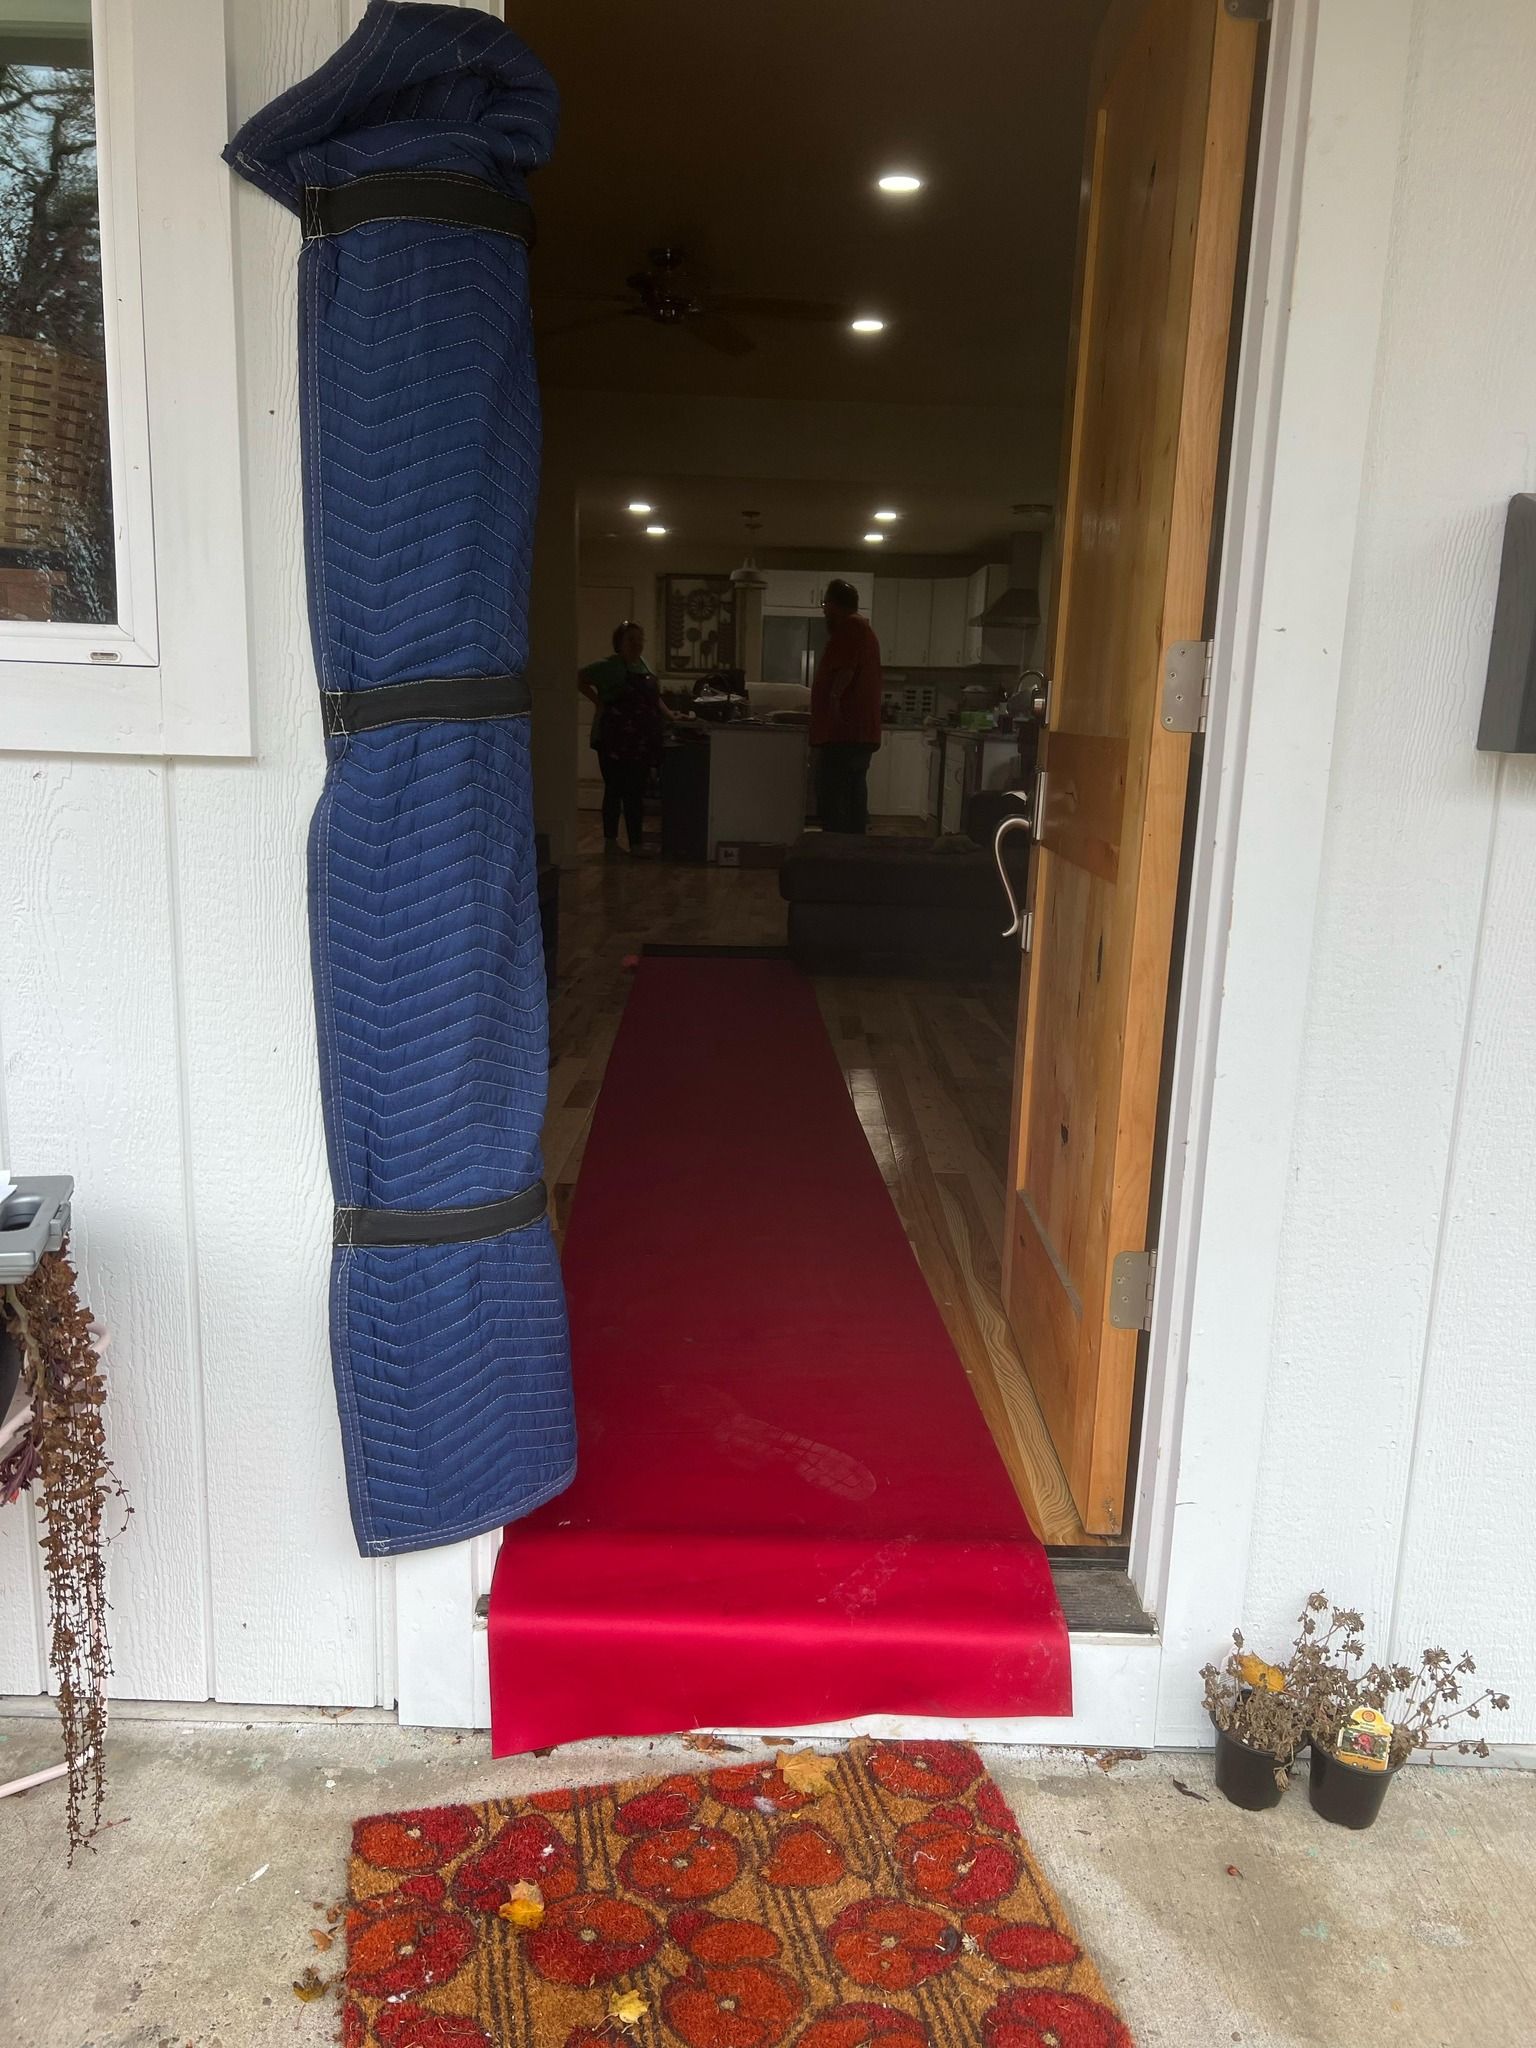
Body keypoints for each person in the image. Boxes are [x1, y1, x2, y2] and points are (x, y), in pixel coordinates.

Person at [579, 620, 668, 856]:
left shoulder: (643, 665)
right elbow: (579, 678)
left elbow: (653, 697)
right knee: (614, 790)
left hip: (639, 741)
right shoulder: (608, 666)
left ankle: (636, 845)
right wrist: (598, 702)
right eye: (631, 639)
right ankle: (610, 843)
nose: (637, 644)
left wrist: (669, 713)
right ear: (619, 642)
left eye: (640, 639)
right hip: (613, 739)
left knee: (635, 793)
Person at [810, 578, 883, 833]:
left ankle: (839, 849)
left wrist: (833, 702)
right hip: (855, 732)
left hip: (846, 731)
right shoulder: (861, 629)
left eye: (825, 604)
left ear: (835, 605)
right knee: (851, 791)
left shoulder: (850, 627)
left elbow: (846, 670)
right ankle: (851, 848)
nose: (823, 610)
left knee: (836, 794)